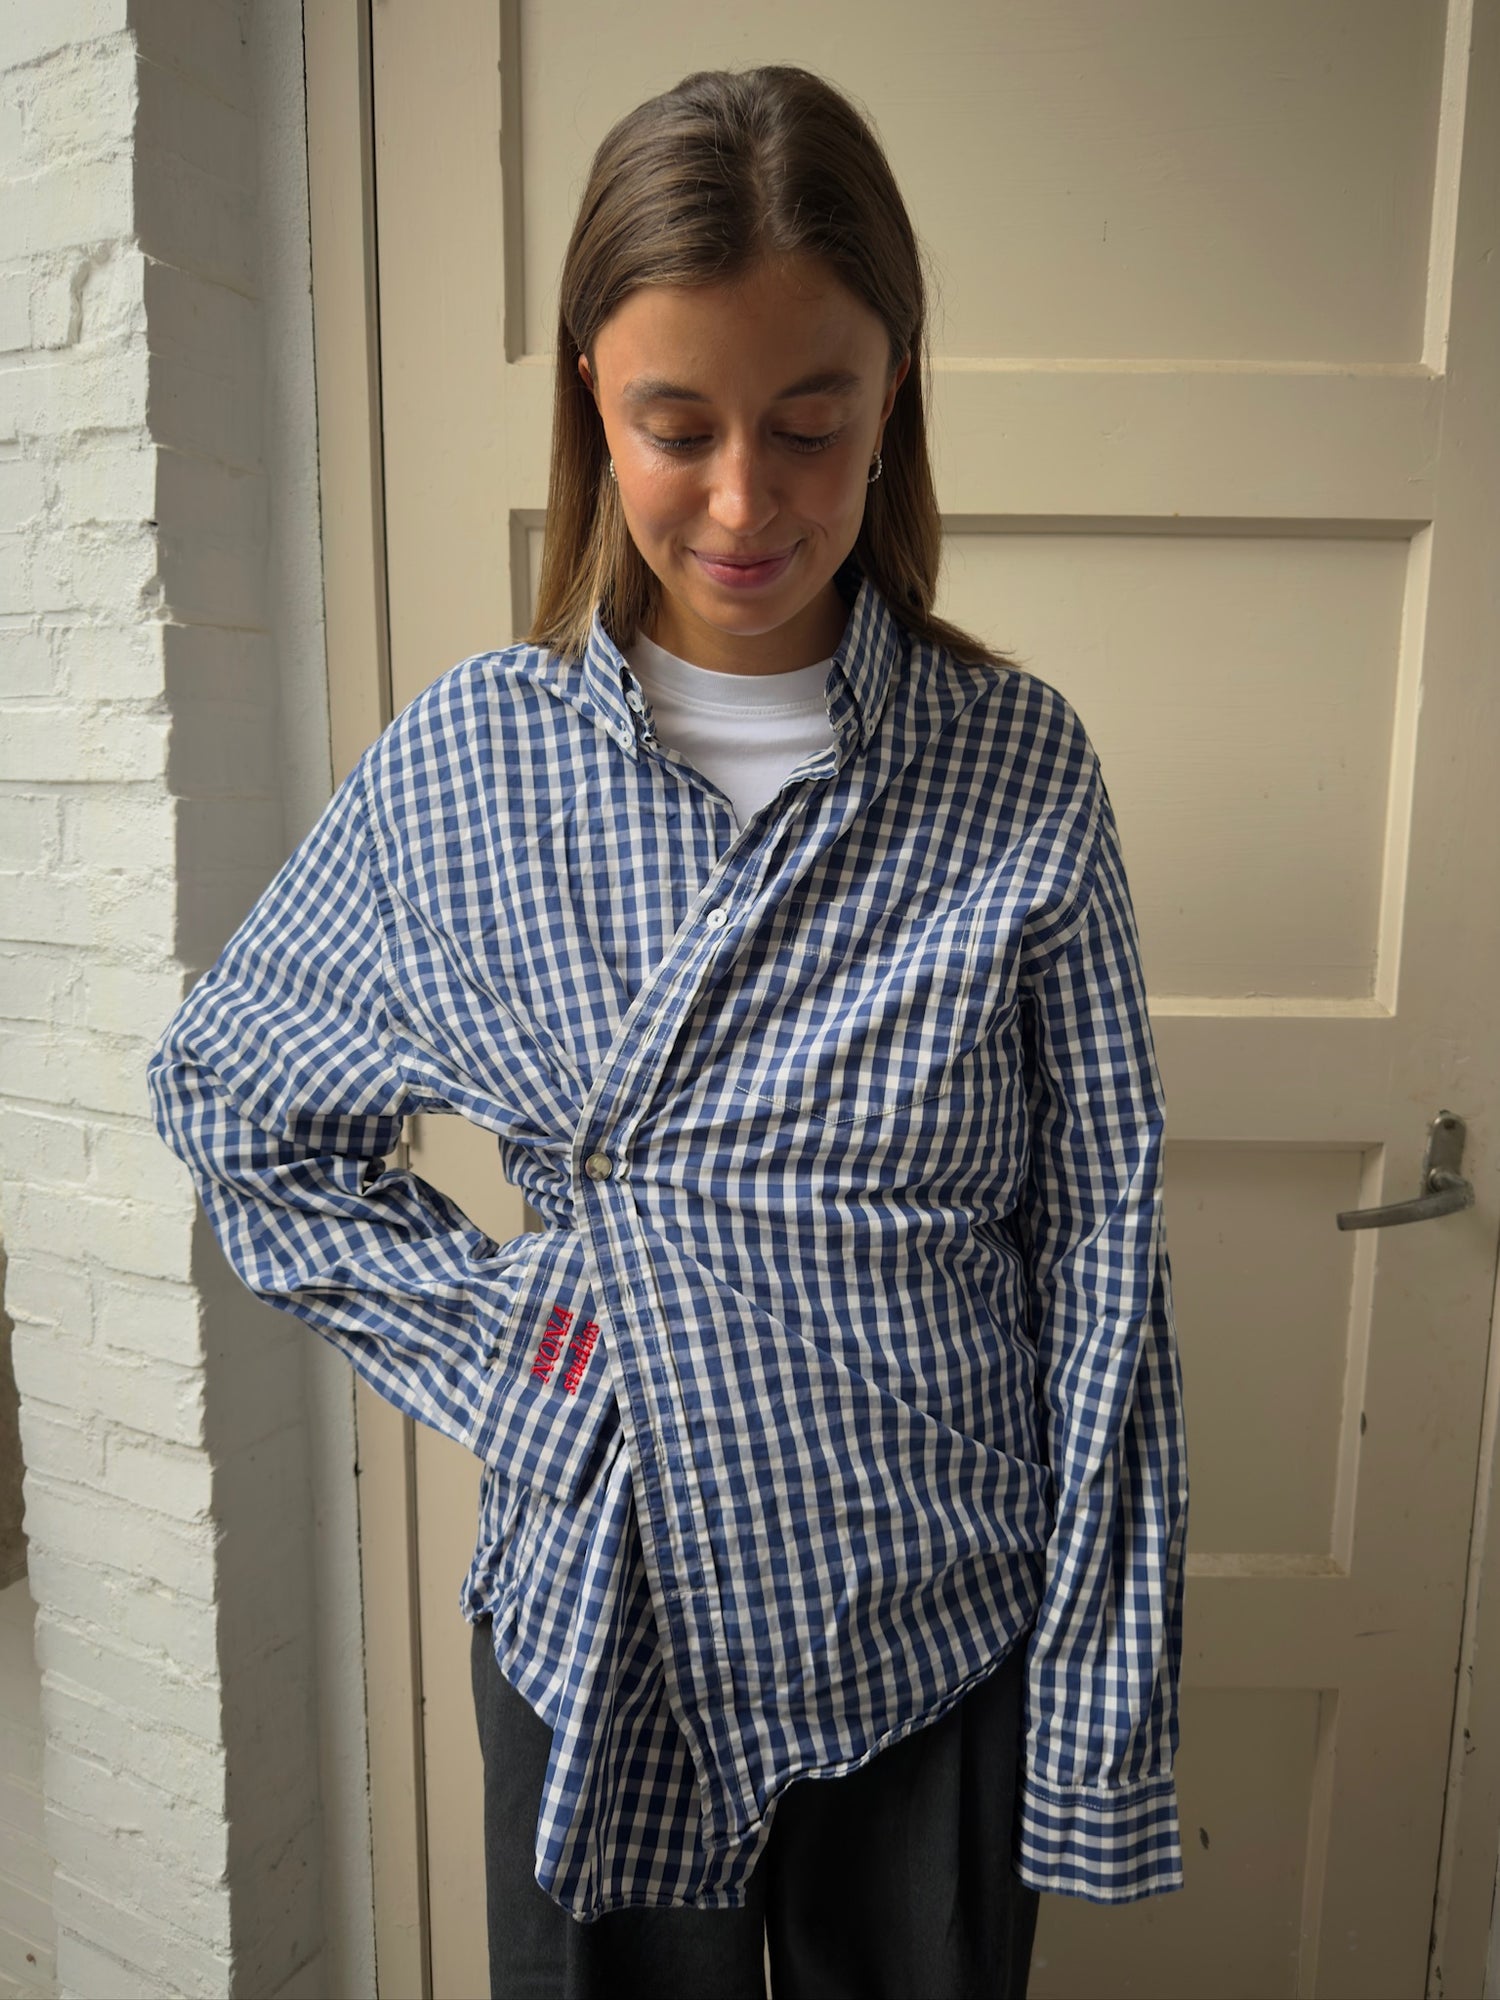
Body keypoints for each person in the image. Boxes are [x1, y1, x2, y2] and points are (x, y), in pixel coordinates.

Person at [147, 64, 1188, 2000]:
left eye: (810, 424)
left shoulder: (1017, 767)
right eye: (675, 425)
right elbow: (237, 1097)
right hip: (603, 1613)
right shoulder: (470, 763)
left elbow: (1104, 1253)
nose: (742, 499)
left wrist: (1100, 1708)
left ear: (893, 400)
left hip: (941, 1615)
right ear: (590, 405)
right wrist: (524, 1357)